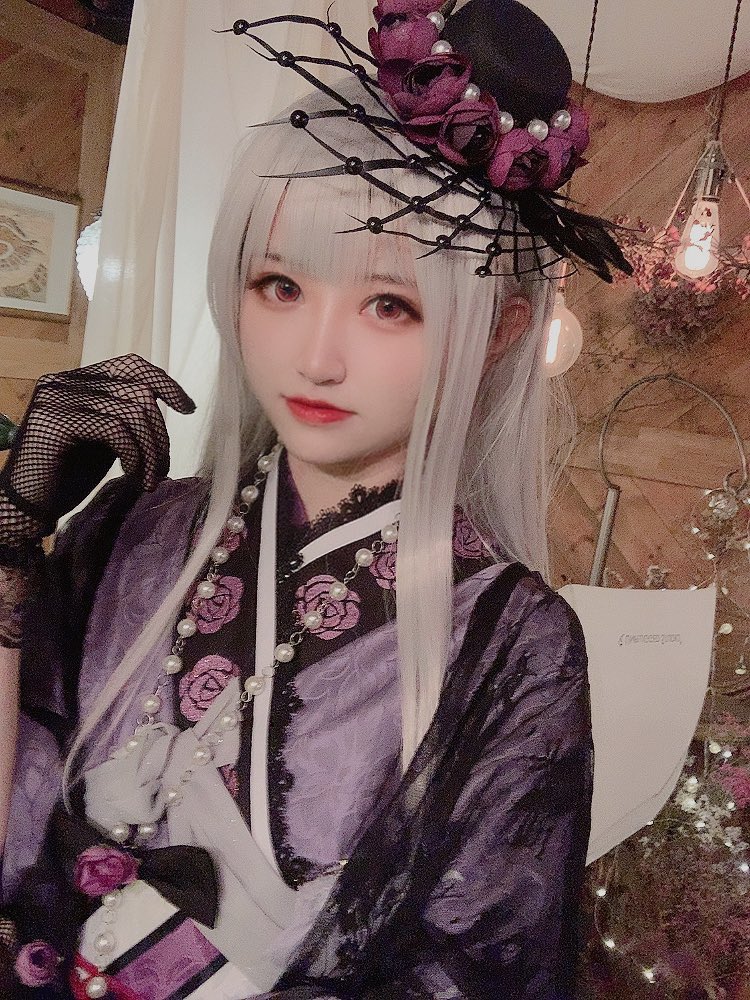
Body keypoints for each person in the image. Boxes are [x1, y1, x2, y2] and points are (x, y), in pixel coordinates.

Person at [0, 1, 630, 997]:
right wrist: (11, 540)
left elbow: (482, 970)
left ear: (497, 332)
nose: (317, 357)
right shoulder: (131, 529)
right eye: (281, 286)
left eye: (389, 304)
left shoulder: (513, 641)